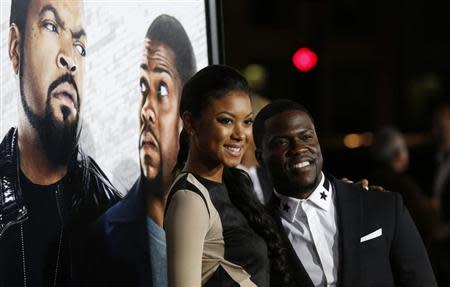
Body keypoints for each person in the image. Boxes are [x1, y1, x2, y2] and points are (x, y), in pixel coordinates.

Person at [253, 99, 437, 287]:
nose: (299, 148)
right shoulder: (257, 233)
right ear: (260, 157)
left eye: (306, 137)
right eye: (282, 142)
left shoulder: (382, 205)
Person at [0, 0, 121, 286]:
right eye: (51, 26)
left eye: (80, 46)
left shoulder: (110, 214)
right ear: (16, 48)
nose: (70, 58)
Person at [87, 15, 196, 287]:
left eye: (160, 89)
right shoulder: (104, 236)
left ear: (189, 114)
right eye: (142, 87)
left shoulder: (226, 219)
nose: (146, 110)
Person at [164, 65, 290, 286]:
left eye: (247, 121)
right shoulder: (189, 199)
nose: (240, 134)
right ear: (191, 122)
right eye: (226, 121)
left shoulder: (235, 185)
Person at [369, 126, 440, 247]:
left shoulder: (368, 181)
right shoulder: (403, 186)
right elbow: (428, 220)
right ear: (397, 154)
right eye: (405, 148)